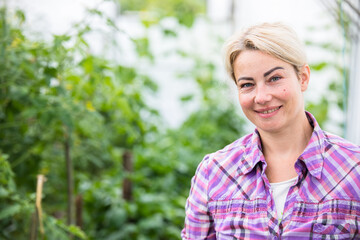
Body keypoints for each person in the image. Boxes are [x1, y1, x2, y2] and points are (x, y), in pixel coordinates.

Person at [181, 22, 360, 239]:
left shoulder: (353, 169)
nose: (262, 97)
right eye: (247, 84)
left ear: (303, 77)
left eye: (274, 79)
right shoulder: (214, 173)